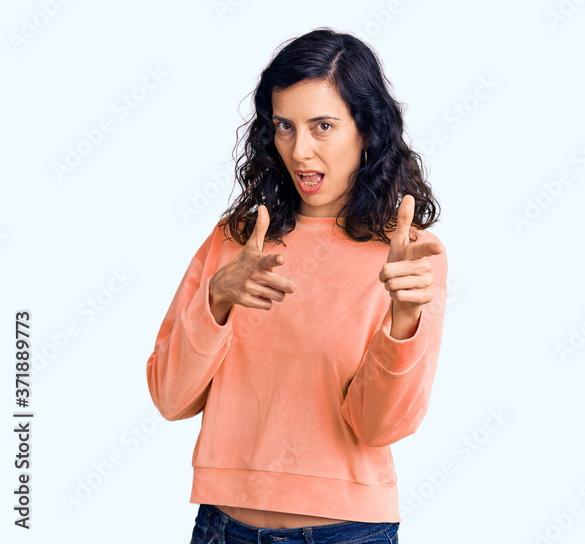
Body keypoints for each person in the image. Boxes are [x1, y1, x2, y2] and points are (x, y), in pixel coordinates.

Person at [146, 28, 447, 544]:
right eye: (285, 126)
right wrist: (215, 299)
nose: (300, 150)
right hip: (223, 528)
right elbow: (170, 399)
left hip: (347, 533)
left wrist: (404, 321)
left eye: (322, 126)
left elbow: (379, 428)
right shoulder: (236, 239)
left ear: (367, 131)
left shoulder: (408, 255)